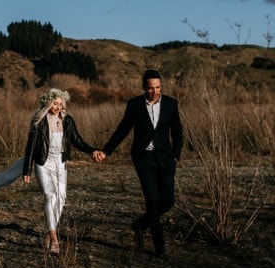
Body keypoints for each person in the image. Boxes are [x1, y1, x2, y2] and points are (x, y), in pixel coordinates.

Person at [93, 70, 183, 257]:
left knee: (168, 200)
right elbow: (123, 129)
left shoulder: (171, 104)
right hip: (144, 158)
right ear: (144, 87)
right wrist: (106, 151)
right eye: (150, 88)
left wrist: (176, 155)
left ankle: (140, 225)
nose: (154, 91)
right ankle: (160, 246)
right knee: (152, 200)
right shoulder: (134, 105)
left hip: (165, 158)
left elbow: (177, 131)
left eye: (157, 87)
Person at [22, 88, 104, 254]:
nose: (58, 107)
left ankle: (48, 232)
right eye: (55, 103)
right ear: (48, 103)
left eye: (60, 104)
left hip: (61, 164)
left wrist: (92, 150)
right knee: (50, 196)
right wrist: (27, 170)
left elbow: (77, 140)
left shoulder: (67, 120)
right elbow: (31, 147)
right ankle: (54, 237)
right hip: (43, 163)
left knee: (61, 198)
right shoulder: (39, 121)